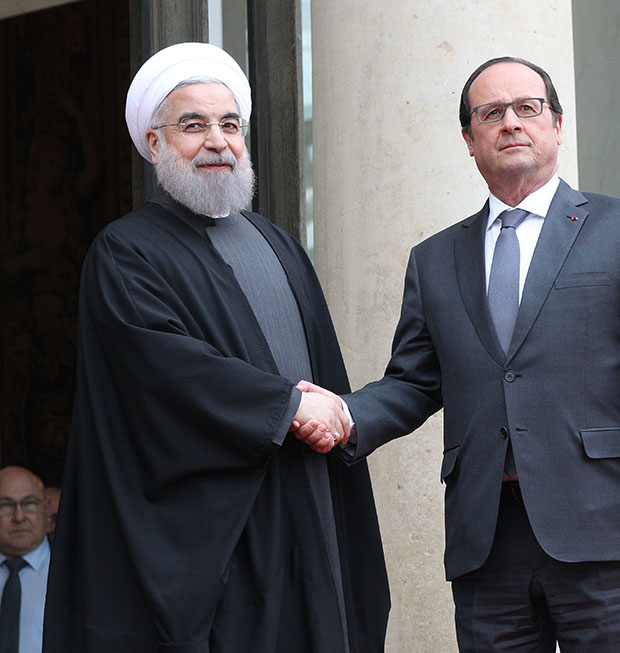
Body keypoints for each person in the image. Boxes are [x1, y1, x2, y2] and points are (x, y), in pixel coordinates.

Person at [297, 56, 620, 651]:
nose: (510, 123)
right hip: (486, 536)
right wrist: (347, 415)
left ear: (556, 126)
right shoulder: (434, 259)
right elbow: (413, 382)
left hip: (598, 525)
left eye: (527, 108)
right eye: (491, 113)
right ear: (469, 139)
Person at [43, 42, 389, 653]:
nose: (217, 141)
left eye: (230, 125)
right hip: (225, 534)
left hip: (308, 502)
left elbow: (322, 371)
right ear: (153, 144)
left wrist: (330, 414)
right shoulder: (126, 251)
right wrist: (284, 408)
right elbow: (165, 372)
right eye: (193, 125)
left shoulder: (278, 243)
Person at [0, 466, 50, 653]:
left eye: (29, 504)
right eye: (6, 506)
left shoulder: (73, 575)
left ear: (45, 510)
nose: (19, 517)